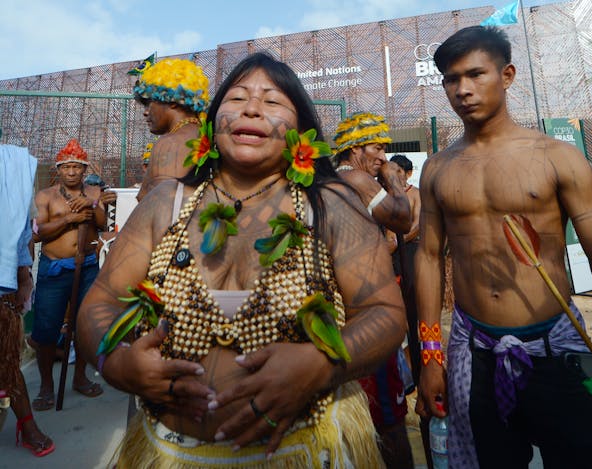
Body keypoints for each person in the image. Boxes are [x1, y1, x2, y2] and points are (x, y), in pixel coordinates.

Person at [77, 52, 406, 467]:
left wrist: (322, 364)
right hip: (168, 450)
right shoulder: (165, 202)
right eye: (236, 98)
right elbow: (99, 303)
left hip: (305, 449)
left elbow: (385, 313)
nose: (252, 107)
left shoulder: (330, 203)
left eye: (272, 101)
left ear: (301, 128)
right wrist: (117, 363)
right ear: (214, 122)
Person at [414, 26, 592, 468]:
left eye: (475, 74)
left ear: (508, 74)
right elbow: (429, 257)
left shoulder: (556, 157)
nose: (463, 90)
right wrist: (431, 356)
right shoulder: (438, 169)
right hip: (474, 352)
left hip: (567, 349)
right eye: (451, 80)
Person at [332, 114, 414, 468]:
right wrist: (395, 181)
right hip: (365, 316)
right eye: (377, 148)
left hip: (348, 316)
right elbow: (402, 218)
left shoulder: (331, 180)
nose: (383, 156)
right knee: (389, 421)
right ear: (354, 149)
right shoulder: (354, 178)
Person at [29, 139, 116, 411]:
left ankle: (80, 377)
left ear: (83, 168)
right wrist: (70, 219)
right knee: (46, 328)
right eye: (66, 167)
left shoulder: (93, 192)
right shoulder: (45, 196)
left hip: (87, 266)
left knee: (84, 326)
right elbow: (38, 232)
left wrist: (92, 207)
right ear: (59, 169)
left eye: (76, 167)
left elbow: (102, 225)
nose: (71, 172)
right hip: (54, 268)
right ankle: (46, 387)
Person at [0, 144, 55, 456]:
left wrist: (24, 276)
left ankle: (27, 425)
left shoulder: (12, 166)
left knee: (7, 362)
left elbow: (23, 232)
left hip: (2, 283)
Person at [132, 57, 210, 201]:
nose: (146, 112)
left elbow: (163, 209)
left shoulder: (170, 144)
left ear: (173, 101)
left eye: (149, 103)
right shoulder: (209, 138)